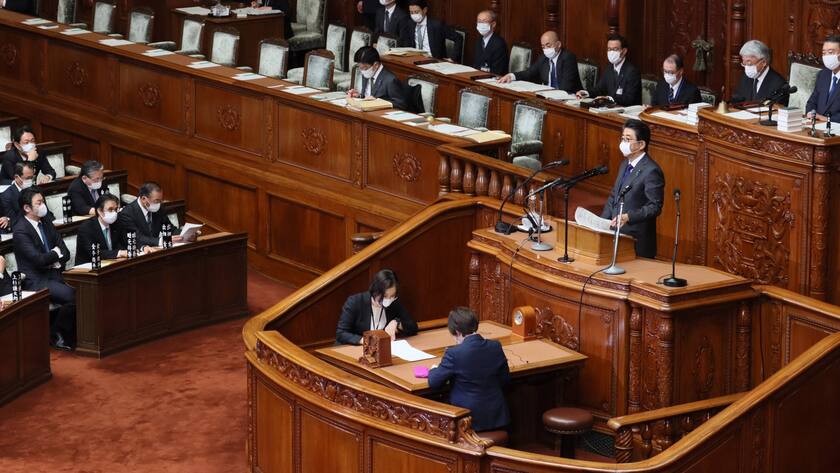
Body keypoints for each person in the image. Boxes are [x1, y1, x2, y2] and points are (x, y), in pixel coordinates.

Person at [428, 307, 510, 433]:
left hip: (467, 420)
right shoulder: (496, 346)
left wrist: (434, 370)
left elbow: (434, 382)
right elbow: (505, 380)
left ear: (457, 332)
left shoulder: (454, 353)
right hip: (496, 415)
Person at [13, 187, 75, 350]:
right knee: (72, 295)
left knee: (86, 289)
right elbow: (38, 260)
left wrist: (54, 256)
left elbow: (65, 252)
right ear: (27, 208)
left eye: (43, 201)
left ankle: (70, 332)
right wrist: (55, 254)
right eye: (39, 202)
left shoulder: (46, 222)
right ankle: (56, 334)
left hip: (55, 273)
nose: (43, 205)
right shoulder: (20, 231)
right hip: (36, 280)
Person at [601, 119, 664, 259]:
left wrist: (628, 216)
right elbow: (614, 196)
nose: (623, 143)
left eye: (628, 139)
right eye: (622, 138)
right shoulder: (625, 164)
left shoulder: (651, 171)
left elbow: (655, 206)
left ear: (641, 144)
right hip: (615, 233)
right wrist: (602, 223)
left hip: (635, 238)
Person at [335, 269, 418, 345]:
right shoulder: (355, 302)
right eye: (384, 296)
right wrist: (366, 341)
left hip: (382, 351)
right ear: (375, 290)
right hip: (354, 349)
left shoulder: (394, 303)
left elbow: (413, 327)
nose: (388, 300)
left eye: (392, 296)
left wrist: (397, 323)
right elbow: (341, 333)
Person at [76, 194, 153, 265]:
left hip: (111, 263)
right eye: (110, 209)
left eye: (116, 209)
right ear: (99, 211)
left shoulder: (117, 222)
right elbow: (94, 252)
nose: (114, 213)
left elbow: (127, 240)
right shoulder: (86, 228)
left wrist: (142, 247)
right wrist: (120, 253)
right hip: (88, 268)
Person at [498, 30, 581, 92]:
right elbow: (529, 73)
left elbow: (566, 87)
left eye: (548, 45)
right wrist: (511, 76)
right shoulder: (543, 58)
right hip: (549, 97)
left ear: (558, 44)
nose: (546, 49)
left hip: (568, 98)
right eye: (543, 47)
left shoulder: (568, 58)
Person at [576, 33, 642, 106]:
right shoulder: (609, 68)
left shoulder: (632, 71)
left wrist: (608, 99)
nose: (611, 52)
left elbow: (629, 99)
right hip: (612, 109)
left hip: (628, 112)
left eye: (615, 49)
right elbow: (599, 89)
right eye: (609, 49)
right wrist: (585, 93)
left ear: (624, 51)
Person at [117, 181, 184, 249]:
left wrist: (185, 234)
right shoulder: (127, 213)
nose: (159, 204)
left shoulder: (159, 209)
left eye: (160, 201)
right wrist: (161, 240)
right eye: (156, 201)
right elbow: (137, 237)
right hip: (137, 251)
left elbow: (169, 229)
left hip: (156, 249)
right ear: (143, 199)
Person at [346, 46, 410, 111]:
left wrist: (378, 102)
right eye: (360, 67)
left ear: (376, 65)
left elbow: (401, 104)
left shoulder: (390, 80)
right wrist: (359, 96)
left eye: (364, 68)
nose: (362, 71)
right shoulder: (366, 73)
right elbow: (367, 97)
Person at [730, 39, 788, 105]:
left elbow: (776, 110)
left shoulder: (778, 84)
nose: (747, 68)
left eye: (749, 63)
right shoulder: (746, 78)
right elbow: (737, 100)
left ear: (763, 62)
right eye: (744, 63)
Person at [806, 35, 840, 123]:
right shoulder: (823, 75)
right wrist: (811, 113)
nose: (826, 56)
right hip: (816, 125)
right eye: (824, 53)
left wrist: (826, 119)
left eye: (831, 52)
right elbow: (811, 102)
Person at [472, 10, 507, 75]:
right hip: (478, 76)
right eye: (479, 21)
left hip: (493, 79)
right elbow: (476, 64)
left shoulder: (499, 43)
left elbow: (498, 70)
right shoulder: (479, 40)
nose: (481, 24)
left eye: (484, 21)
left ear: (493, 24)